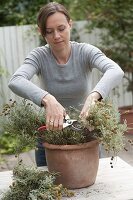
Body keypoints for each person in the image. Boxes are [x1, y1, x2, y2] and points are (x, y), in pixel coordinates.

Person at [8, 2, 124, 166]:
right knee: (51, 186)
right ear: (42, 33)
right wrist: (48, 99)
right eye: (49, 31)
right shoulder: (39, 56)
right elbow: (16, 80)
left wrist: (93, 97)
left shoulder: (85, 51)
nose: (56, 36)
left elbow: (115, 70)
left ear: (70, 25)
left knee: (93, 186)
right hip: (51, 134)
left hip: (85, 131)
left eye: (61, 28)